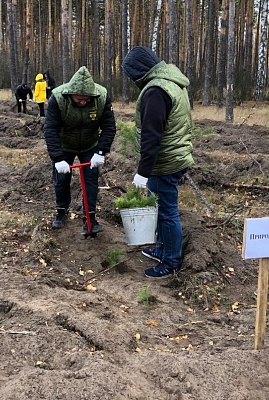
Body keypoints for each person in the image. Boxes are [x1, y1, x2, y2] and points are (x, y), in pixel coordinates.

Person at [121, 46, 194, 278]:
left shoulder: (155, 91)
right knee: (161, 208)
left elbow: (152, 137)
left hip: (164, 162)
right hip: (173, 156)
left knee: (166, 212)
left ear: (138, 72)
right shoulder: (171, 83)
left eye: (130, 74)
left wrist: (142, 173)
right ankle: (162, 248)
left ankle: (171, 261)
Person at [43, 66, 116, 234]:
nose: (83, 102)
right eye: (79, 99)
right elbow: (50, 129)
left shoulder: (102, 97)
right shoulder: (58, 97)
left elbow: (109, 127)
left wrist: (100, 151)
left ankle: (90, 218)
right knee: (61, 179)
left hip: (90, 144)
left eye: (86, 100)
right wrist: (58, 157)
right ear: (71, 95)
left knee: (91, 179)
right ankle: (61, 212)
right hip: (64, 144)